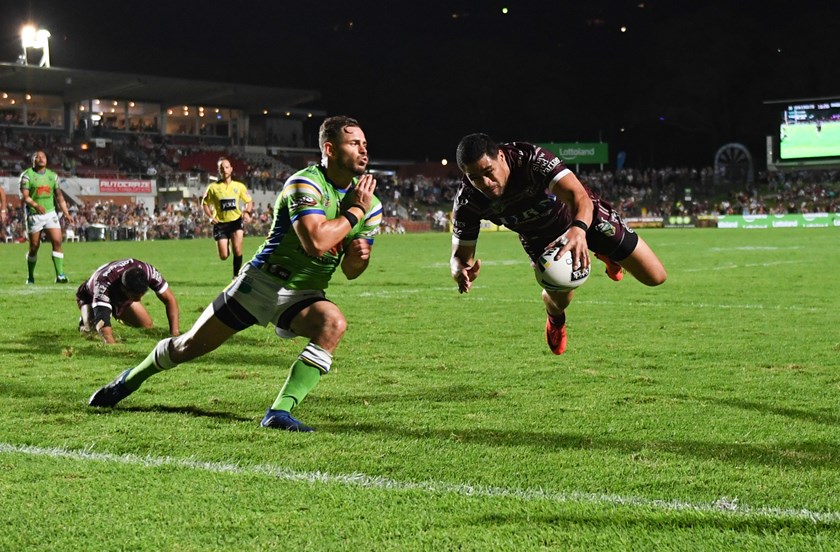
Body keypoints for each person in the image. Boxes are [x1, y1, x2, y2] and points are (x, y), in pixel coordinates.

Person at [88, 115, 382, 433]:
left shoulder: (372, 204)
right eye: (354, 143)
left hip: (304, 293)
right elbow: (315, 242)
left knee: (333, 323)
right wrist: (355, 211)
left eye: (365, 144)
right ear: (330, 149)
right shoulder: (305, 184)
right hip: (260, 283)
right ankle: (130, 379)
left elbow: (352, 271)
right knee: (187, 346)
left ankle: (279, 413)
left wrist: (359, 256)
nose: (364, 150)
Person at [450, 133, 666, 355]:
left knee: (655, 277)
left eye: (488, 172)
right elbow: (459, 257)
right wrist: (460, 271)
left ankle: (602, 250)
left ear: (501, 158)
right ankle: (555, 319)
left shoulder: (532, 159)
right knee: (561, 299)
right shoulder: (468, 200)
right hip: (541, 241)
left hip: (581, 217)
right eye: (475, 178)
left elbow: (578, 196)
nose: (485, 183)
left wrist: (580, 230)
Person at [77, 258, 181, 345]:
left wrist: (175, 334)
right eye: (135, 296)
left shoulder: (149, 272)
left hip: (121, 296)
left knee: (146, 325)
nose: (139, 300)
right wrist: (113, 346)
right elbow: (102, 323)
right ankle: (84, 322)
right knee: (92, 333)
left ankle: (119, 314)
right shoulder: (103, 285)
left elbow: (170, 299)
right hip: (90, 296)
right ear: (124, 289)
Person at [20, 150, 73, 284]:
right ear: (33, 160)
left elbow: (59, 196)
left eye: (43, 156)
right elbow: (24, 197)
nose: (41, 158)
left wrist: (66, 213)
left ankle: (60, 275)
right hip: (34, 215)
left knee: (57, 242)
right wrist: (37, 206)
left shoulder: (52, 176)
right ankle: (30, 276)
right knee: (34, 247)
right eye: (38, 157)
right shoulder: (27, 176)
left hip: (50, 213)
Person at [201, 157, 254, 278]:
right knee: (224, 256)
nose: (224, 170)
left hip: (236, 221)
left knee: (238, 250)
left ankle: (236, 276)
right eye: (221, 168)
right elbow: (204, 203)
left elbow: (249, 201)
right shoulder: (213, 187)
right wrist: (210, 217)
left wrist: (247, 212)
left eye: (226, 167)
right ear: (218, 171)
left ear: (231, 169)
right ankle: (226, 247)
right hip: (220, 223)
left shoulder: (239, 186)